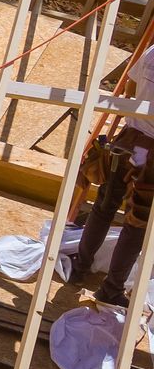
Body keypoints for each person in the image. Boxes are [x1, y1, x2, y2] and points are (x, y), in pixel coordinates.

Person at [70, 46, 154, 306]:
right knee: (136, 225)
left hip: (127, 141)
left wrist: (135, 118)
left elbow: (130, 85)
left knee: (104, 208)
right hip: (149, 154)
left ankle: (80, 267)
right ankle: (111, 290)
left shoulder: (152, 51)